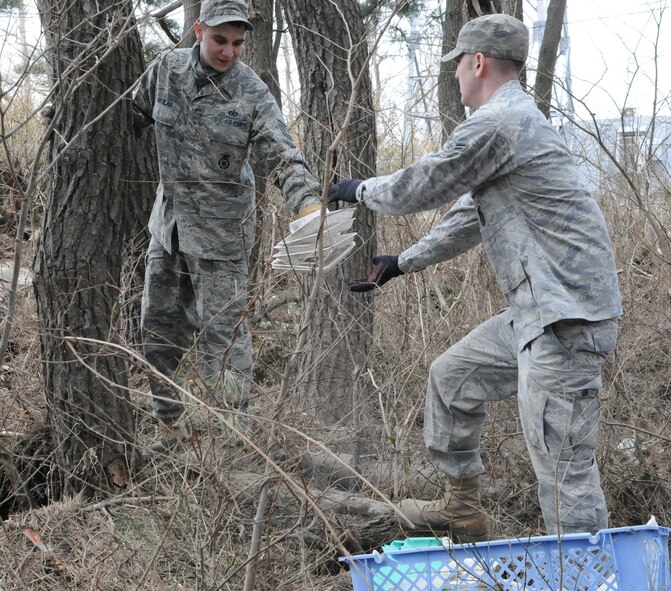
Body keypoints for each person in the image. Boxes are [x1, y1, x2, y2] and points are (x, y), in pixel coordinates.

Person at [328, 14, 622, 541]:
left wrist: (358, 190)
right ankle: (461, 507)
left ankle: (586, 570)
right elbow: (468, 216)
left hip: (566, 320)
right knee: (453, 377)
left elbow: (426, 182)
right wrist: (402, 264)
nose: (456, 77)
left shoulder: (500, 122)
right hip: (539, 313)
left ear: (478, 62)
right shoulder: (512, 127)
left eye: (458, 65)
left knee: (563, 469)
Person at [133, 0, 321, 443]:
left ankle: (234, 438)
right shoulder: (166, 70)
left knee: (225, 340)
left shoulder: (251, 91)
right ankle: (168, 425)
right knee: (157, 330)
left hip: (222, 236)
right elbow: (126, 114)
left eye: (238, 43)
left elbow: (282, 153)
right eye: (220, 40)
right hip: (170, 227)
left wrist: (307, 203)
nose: (229, 52)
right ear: (198, 30)